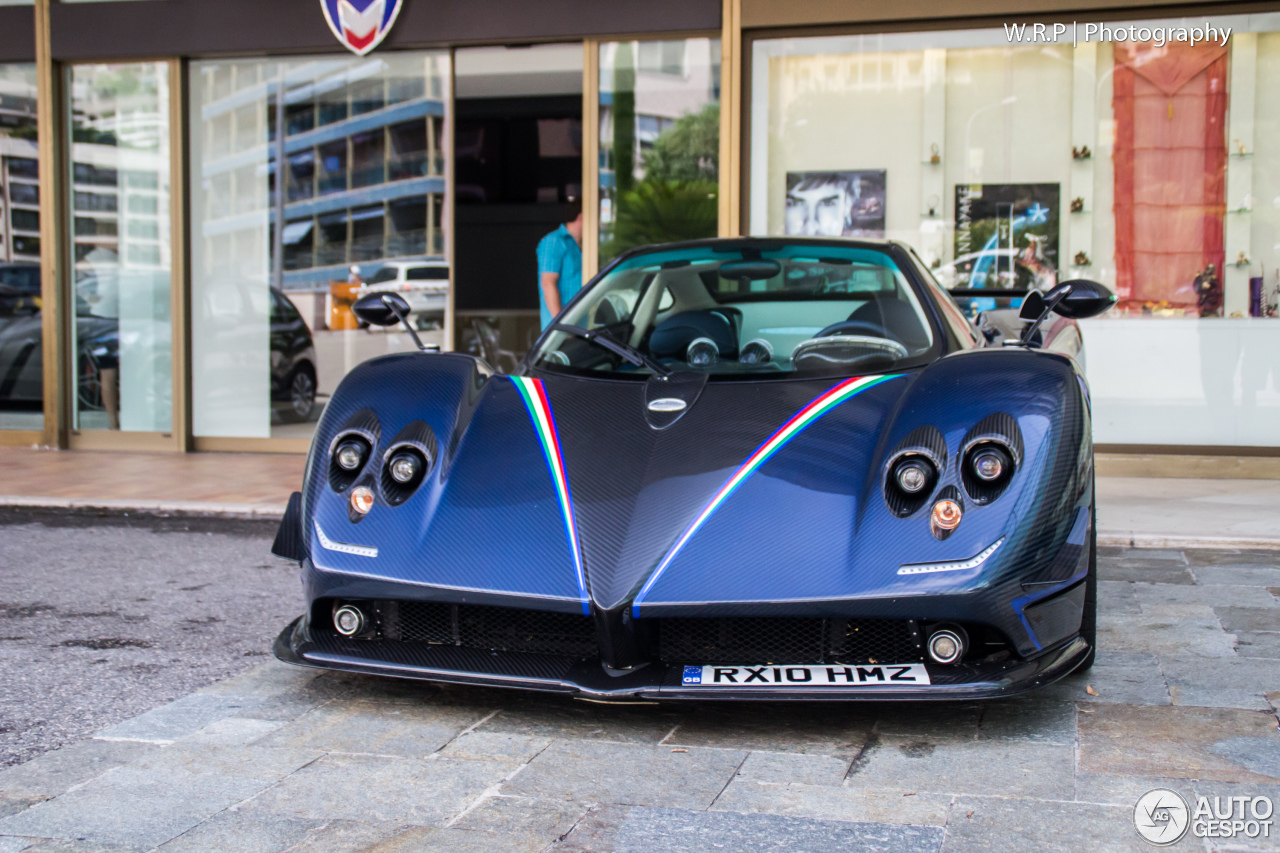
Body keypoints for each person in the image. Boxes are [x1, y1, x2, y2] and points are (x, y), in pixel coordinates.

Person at [536, 198, 583, 329]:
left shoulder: (584, 246)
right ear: (581, 217)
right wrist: (562, 326)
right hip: (562, 331)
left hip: (580, 327)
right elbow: (548, 283)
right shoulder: (553, 241)